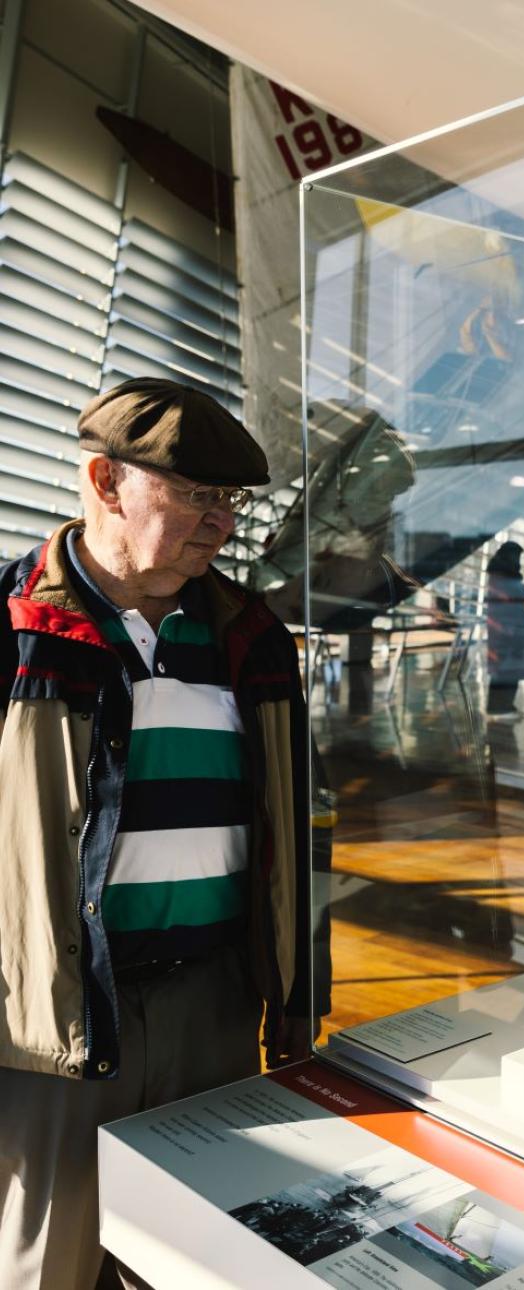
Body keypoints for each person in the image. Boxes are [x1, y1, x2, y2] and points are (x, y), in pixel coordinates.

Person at [0, 378, 319, 1290]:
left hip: (214, 1011)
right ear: (106, 482)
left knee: (196, 1259)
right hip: (47, 1021)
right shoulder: (14, 625)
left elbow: (290, 835)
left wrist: (293, 997)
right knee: (44, 1265)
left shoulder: (251, 636)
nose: (221, 524)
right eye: (196, 496)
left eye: (231, 502)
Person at [485, 540, 524, 719]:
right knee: (506, 672)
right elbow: (520, 593)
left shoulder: (498, 575)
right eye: (518, 557)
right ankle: (500, 708)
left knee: (505, 671)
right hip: (508, 633)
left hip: (506, 631)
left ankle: (504, 706)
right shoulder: (503, 577)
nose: (519, 561)